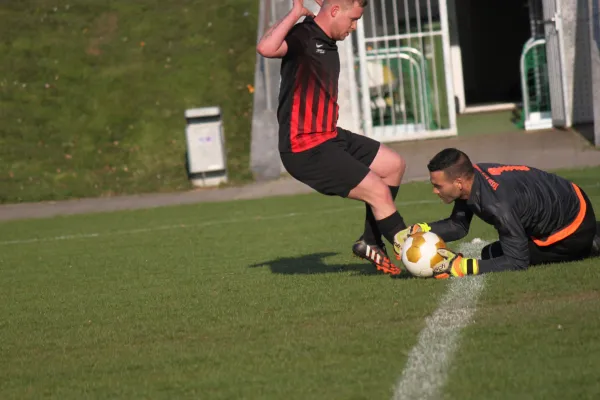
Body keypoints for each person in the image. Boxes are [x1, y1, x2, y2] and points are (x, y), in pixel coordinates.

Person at [256, 0, 409, 275]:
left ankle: (371, 242)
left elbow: (332, 5)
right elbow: (266, 48)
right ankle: (415, 253)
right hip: (304, 146)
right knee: (377, 191)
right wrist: (294, 13)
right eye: (353, 20)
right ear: (336, 12)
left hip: (329, 136)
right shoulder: (303, 37)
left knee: (393, 165)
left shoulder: (326, 36)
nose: (354, 27)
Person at [395, 148, 600, 279]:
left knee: (493, 255)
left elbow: (517, 262)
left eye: (438, 186)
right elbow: (458, 226)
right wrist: (418, 230)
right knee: (490, 254)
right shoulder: (472, 179)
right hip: (573, 200)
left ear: (458, 183)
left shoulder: (498, 204)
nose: (435, 191)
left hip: (571, 229)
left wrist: (461, 267)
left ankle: (590, 244)